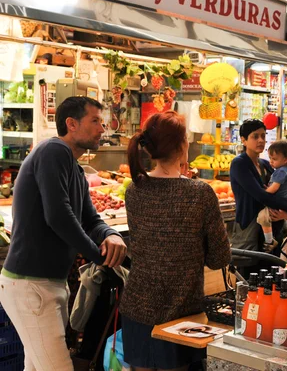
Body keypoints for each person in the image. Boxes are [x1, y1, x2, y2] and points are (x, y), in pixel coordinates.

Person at [0, 96, 127, 371]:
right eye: (95, 121)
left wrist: (111, 235)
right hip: (31, 285)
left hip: (47, 285)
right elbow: (58, 216)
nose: (102, 128)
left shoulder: (75, 170)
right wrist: (99, 256)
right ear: (71, 124)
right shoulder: (53, 151)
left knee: (36, 367)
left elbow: (91, 219)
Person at [120, 110, 231, 371]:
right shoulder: (200, 193)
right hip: (183, 314)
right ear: (183, 147)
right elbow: (219, 259)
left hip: (137, 309)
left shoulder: (135, 190)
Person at [229, 119, 287, 273]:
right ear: (243, 140)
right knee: (251, 283)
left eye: (263, 136)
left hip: (271, 235)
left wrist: (286, 213)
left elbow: (283, 188)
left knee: (271, 281)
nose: (260, 140)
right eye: (255, 136)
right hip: (250, 233)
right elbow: (261, 195)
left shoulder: (266, 164)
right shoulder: (240, 164)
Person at [257, 140, 287, 246]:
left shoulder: (280, 171)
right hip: (285, 201)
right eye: (270, 158)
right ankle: (286, 228)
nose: (271, 161)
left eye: (274, 159)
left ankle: (269, 241)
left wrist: (263, 192)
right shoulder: (282, 170)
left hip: (282, 201)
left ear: (285, 160)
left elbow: (273, 189)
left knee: (263, 217)